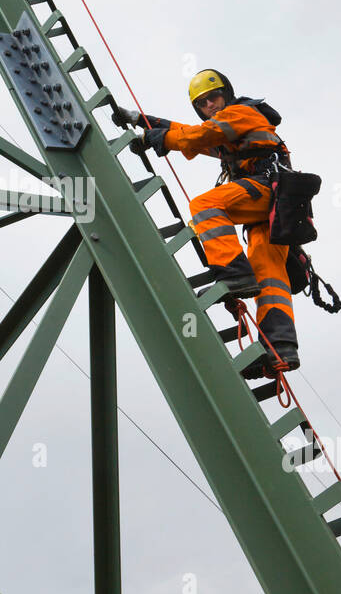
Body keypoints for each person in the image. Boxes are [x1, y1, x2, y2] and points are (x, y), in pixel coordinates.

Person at [120, 68, 299, 375]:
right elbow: (190, 133)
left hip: (267, 191)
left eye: (214, 97)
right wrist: (141, 120)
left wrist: (158, 139)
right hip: (275, 206)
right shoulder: (231, 132)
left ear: (226, 94)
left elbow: (198, 135)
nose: (210, 106)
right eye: (202, 103)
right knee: (269, 272)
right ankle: (279, 346)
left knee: (206, 204)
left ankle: (233, 272)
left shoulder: (241, 113)